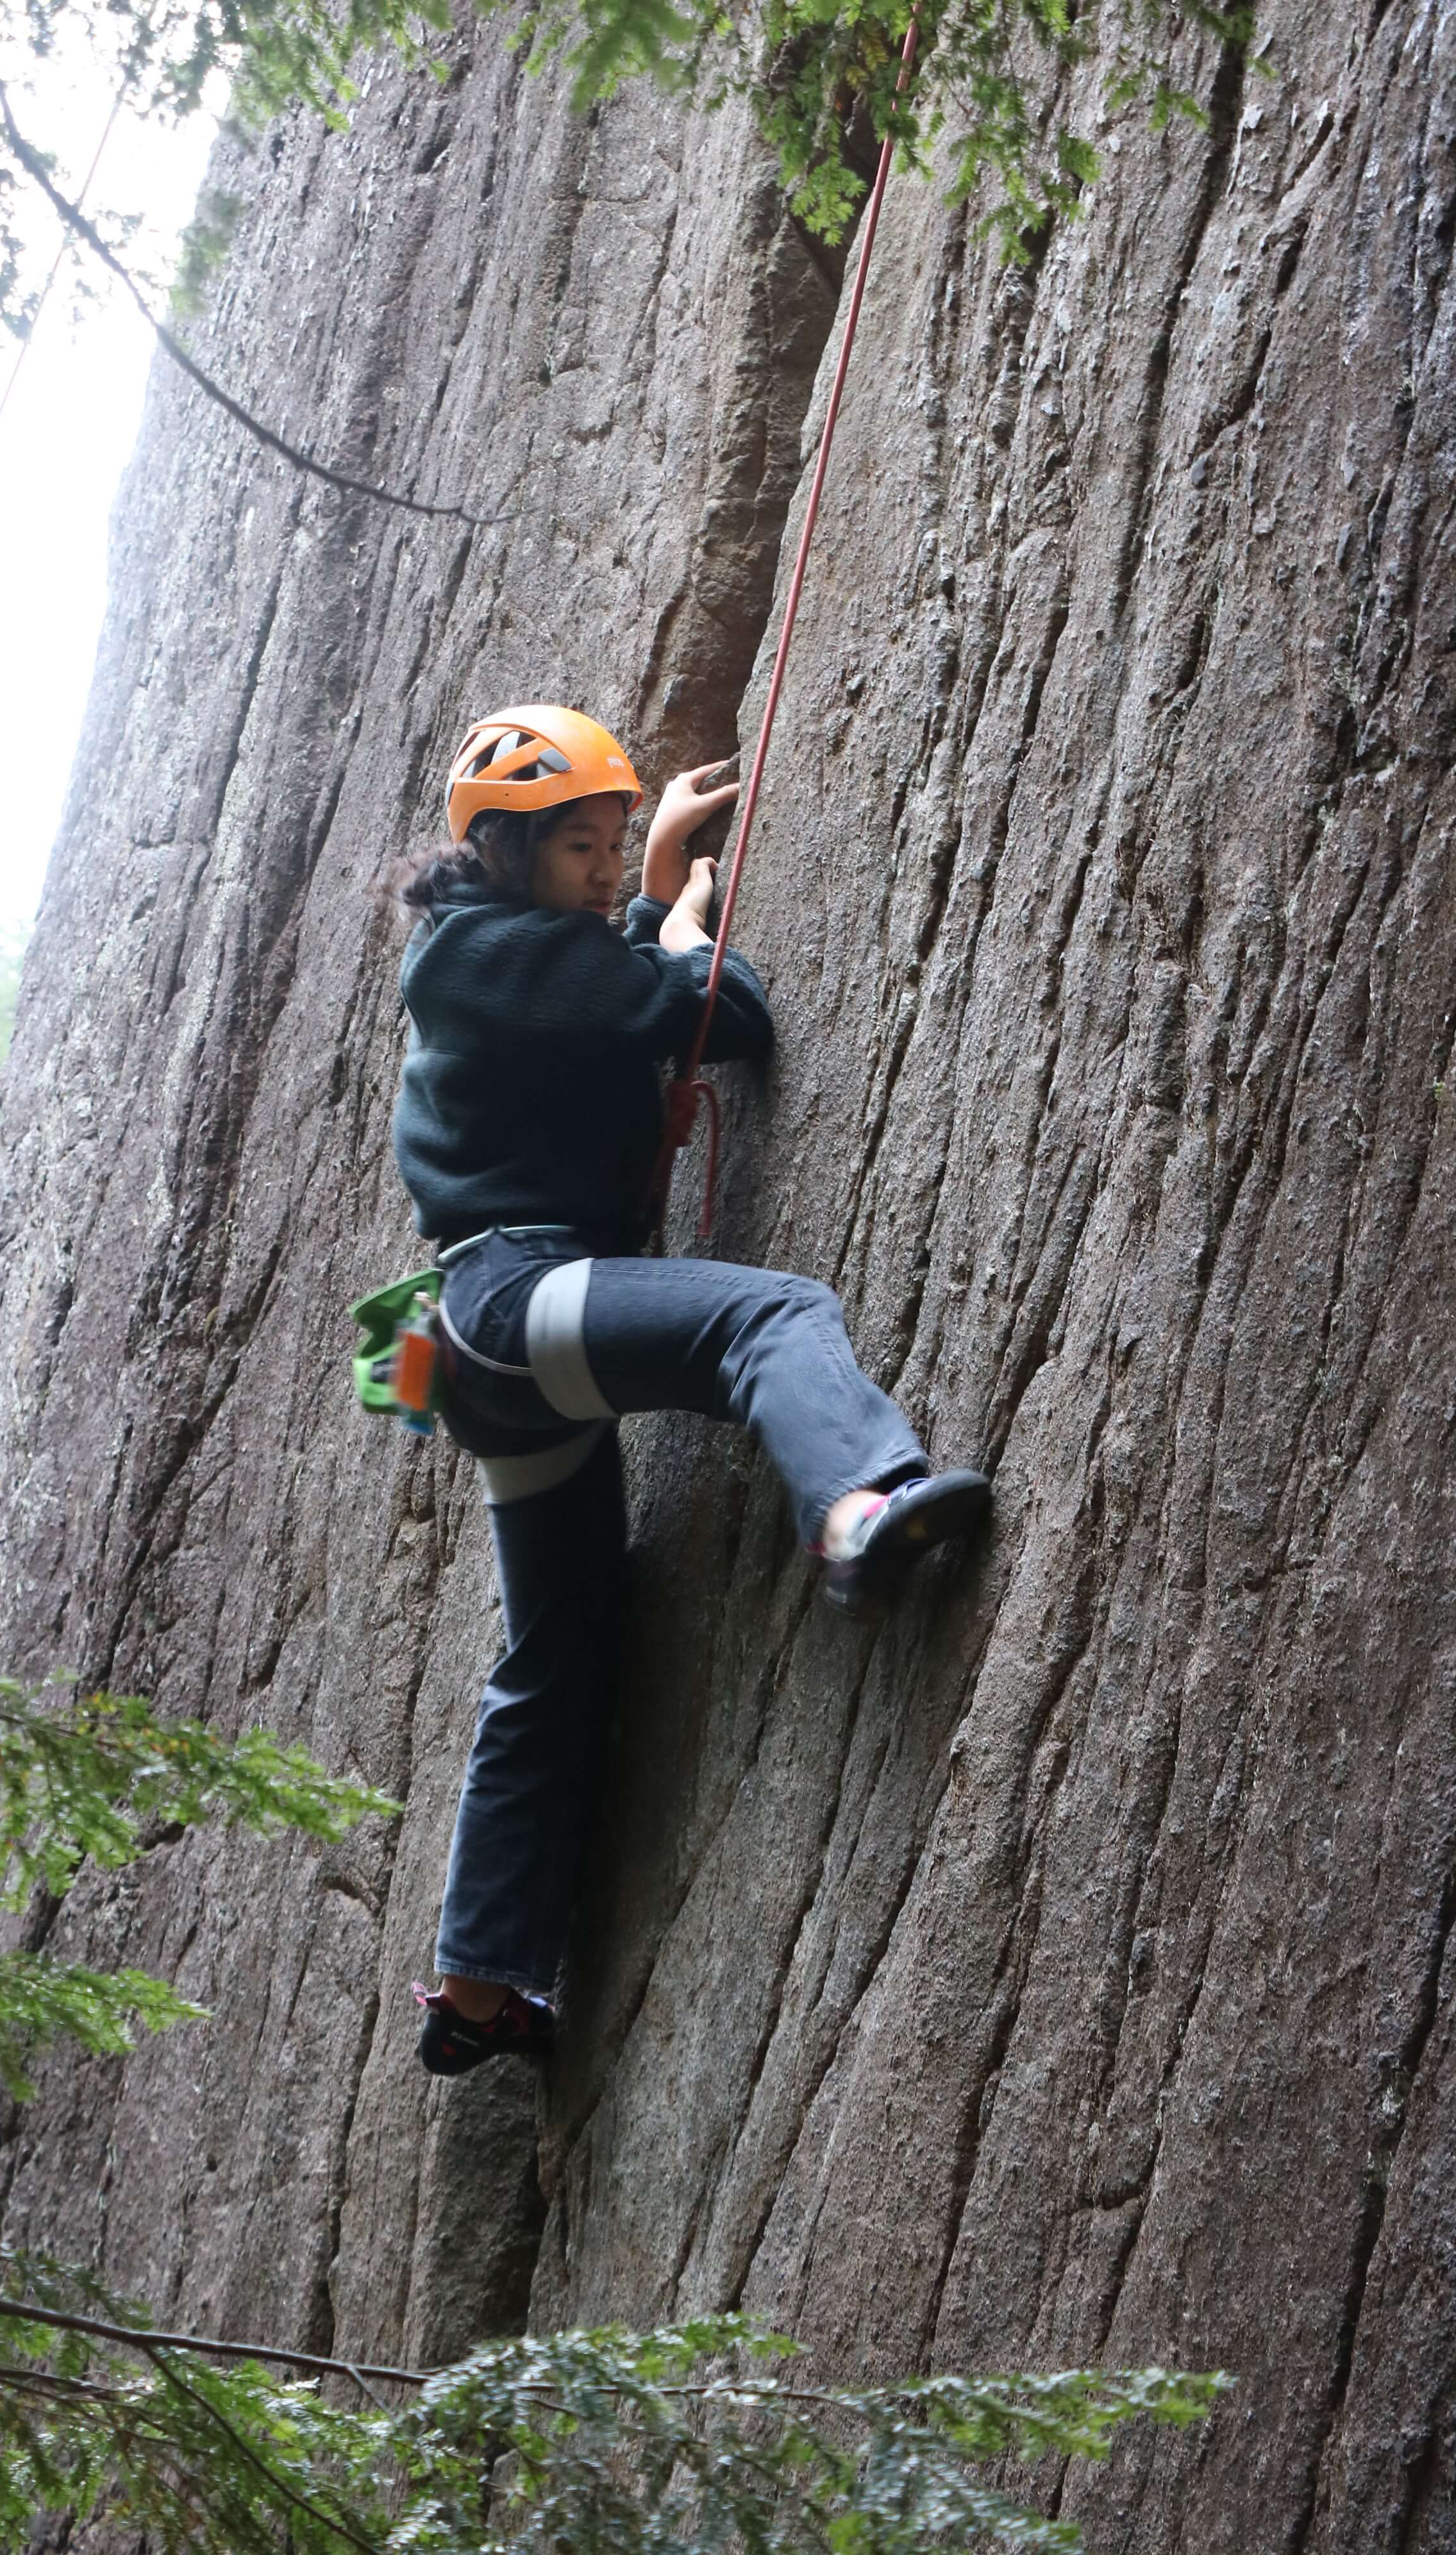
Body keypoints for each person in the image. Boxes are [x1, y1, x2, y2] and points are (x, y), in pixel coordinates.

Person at [387, 704, 990, 2077]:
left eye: (611, 842)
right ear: (502, 849)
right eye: (581, 847)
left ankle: (478, 1987)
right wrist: (668, 926)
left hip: (497, 1350)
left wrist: (647, 895)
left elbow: (598, 1003)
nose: (603, 867)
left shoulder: (498, 957)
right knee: (766, 1318)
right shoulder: (476, 950)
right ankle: (852, 1502)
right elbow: (720, 1014)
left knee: (559, 1646)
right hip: (515, 1302)